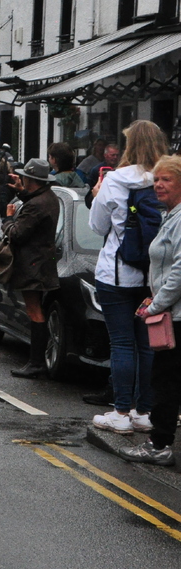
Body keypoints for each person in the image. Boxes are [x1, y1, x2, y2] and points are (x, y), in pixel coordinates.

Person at [88, 120, 168, 434]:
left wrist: (97, 194)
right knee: (147, 346)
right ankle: (143, 412)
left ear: (129, 145)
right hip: (154, 277)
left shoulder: (117, 179)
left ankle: (120, 412)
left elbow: (97, 226)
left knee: (121, 345)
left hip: (117, 274)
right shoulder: (167, 178)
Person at [122, 154, 181, 466]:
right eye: (156, 179)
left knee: (166, 382)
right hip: (170, 310)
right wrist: (152, 296)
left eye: (166, 179)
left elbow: (180, 272)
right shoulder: (169, 215)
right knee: (167, 380)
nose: (159, 185)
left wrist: (156, 305)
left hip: (176, 316)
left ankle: (159, 446)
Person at [4, 159, 61, 378]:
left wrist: (8, 219)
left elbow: (17, 233)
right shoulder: (48, 197)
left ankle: (36, 362)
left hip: (33, 264)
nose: (22, 179)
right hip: (42, 261)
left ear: (31, 179)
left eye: (24, 177)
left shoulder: (38, 204)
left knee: (34, 310)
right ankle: (37, 360)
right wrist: (21, 194)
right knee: (36, 309)